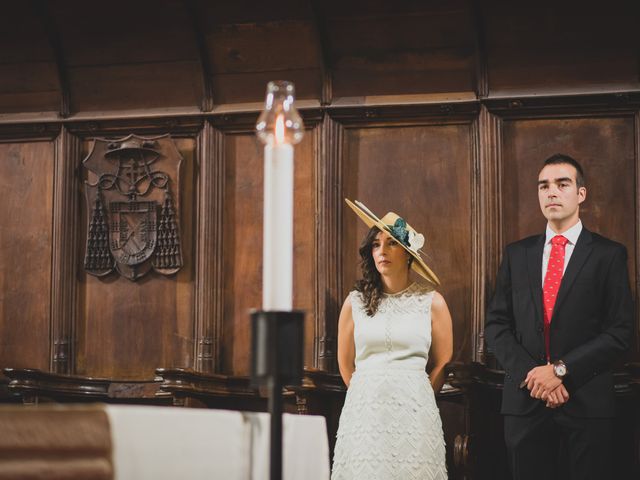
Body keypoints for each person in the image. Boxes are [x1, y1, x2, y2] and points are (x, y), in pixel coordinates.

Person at [484, 154, 633, 480]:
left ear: (581, 194)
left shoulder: (609, 255)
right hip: (526, 401)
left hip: (587, 400)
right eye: (544, 186)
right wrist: (535, 377)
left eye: (562, 184)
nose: (551, 192)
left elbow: (620, 331)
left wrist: (561, 371)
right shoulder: (516, 254)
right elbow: (496, 326)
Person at [331, 199, 453, 480]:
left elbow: (443, 362)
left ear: (409, 254)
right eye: (375, 244)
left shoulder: (433, 303)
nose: (382, 251)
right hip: (364, 412)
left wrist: (416, 393)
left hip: (415, 410)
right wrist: (369, 391)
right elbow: (345, 364)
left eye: (391, 243)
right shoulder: (355, 303)